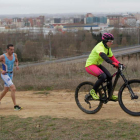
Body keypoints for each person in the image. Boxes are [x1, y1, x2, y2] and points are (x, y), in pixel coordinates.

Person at [85, 33, 121, 101]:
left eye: (112, 41)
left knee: (109, 77)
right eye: (110, 41)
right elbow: (104, 56)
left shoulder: (107, 48)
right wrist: (113, 63)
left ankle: (110, 95)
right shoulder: (100, 46)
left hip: (97, 65)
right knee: (103, 76)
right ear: (105, 41)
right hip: (90, 65)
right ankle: (92, 91)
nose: (111, 43)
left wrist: (119, 63)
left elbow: (112, 57)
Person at [0, 44, 22, 110]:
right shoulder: (2, 57)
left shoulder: (14, 55)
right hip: (5, 74)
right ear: (7, 50)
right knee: (13, 88)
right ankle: (15, 106)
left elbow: (16, 60)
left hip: (11, 74)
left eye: (13, 49)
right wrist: (1, 70)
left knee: (6, 90)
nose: (12, 51)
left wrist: (17, 65)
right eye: (11, 49)